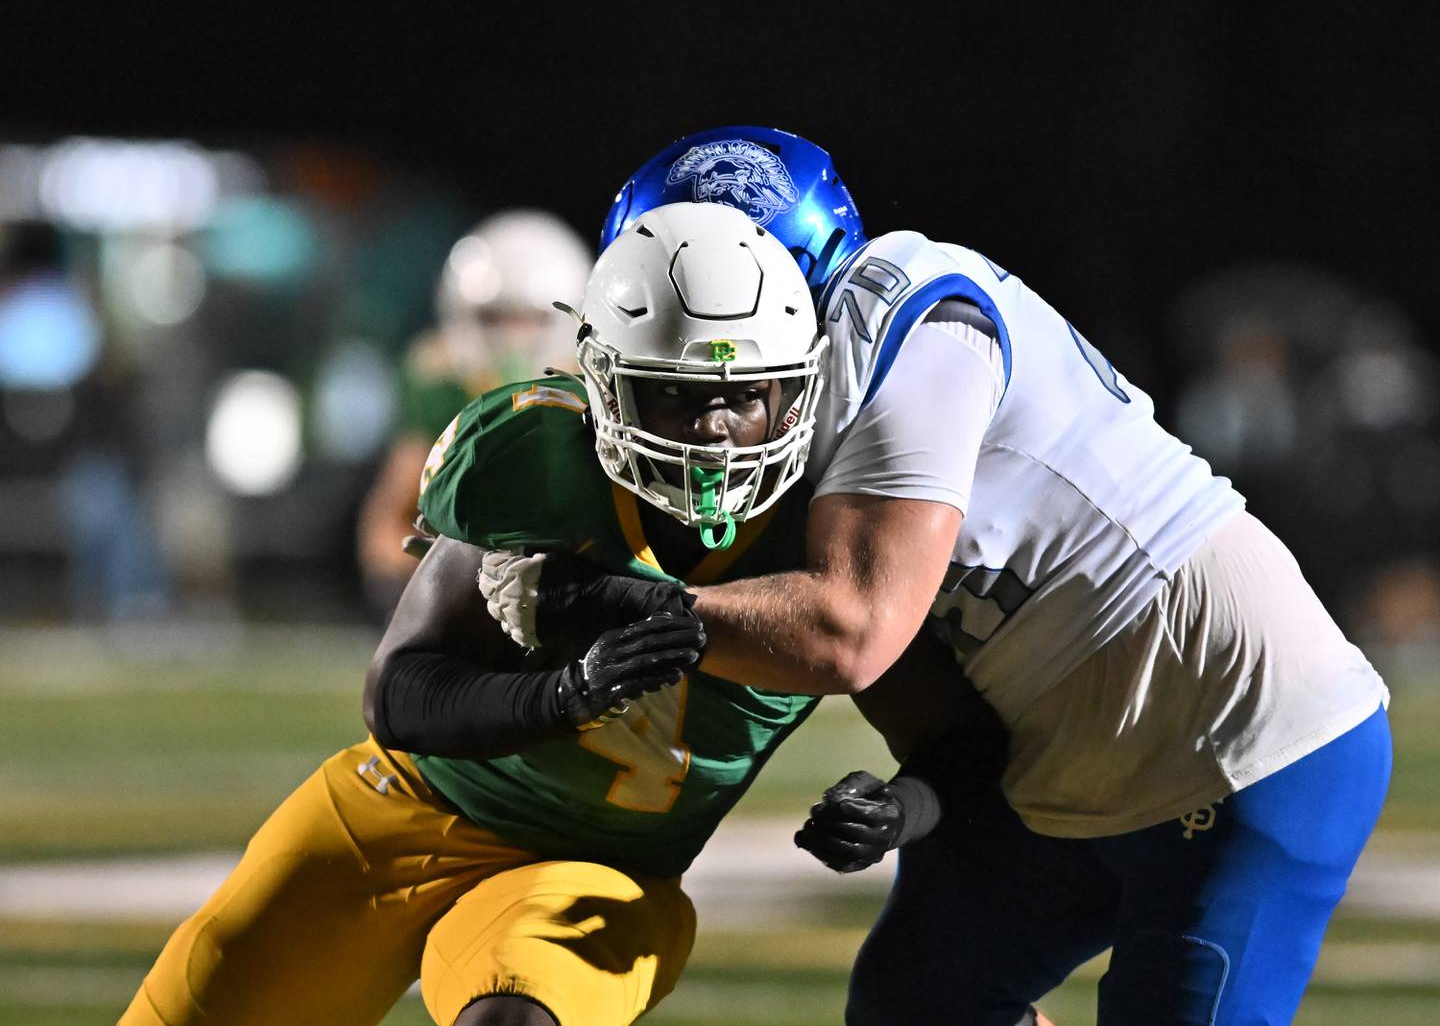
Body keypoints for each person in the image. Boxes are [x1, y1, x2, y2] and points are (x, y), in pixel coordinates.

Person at [477, 126, 1393, 1025]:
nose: (703, 402)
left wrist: (602, 603)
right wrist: (912, 801)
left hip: (1232, 735)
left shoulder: (920, 326)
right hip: (1057, 755)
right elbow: (927, 690)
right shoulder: (783, 406)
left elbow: (849, 631)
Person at [122, 201, 930, 1026]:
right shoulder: (545, 463)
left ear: (797, 391)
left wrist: (907, 804)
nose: (713, 433)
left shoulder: (841, 537)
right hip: (409, 806)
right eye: (673, 396)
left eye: (742, 395)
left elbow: (953, 731)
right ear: (606, 382)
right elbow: (399, 691)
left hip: (600, 870)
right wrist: (561, 698)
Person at [357, 209, 591, 616]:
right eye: (495, 317)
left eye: (530, 319)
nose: (512, 337)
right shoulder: (441, 381)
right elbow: (382, 532)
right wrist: (446, 572)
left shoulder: (595, 390)